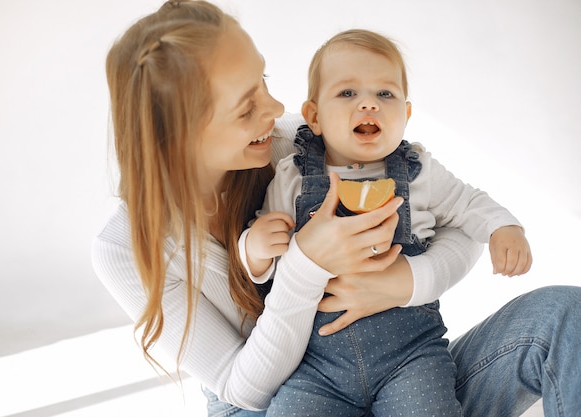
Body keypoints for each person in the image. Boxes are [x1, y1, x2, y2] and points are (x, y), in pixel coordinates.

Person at [92, 1, 581, 416]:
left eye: (263, 79)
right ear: (177, 138)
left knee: (565, 314)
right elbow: (244, 388)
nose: (276, 105)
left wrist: (407, 281)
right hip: (281, 396)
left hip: (406, 365)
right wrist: (306, 263)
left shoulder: (301, 141)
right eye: (246, 106)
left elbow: (454, 215)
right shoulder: (124, 248)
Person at [239, 29, 532, 416]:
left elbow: (467, 203)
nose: (369, 105)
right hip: (316, 368)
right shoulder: (292, 177)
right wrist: (254, 248)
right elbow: (270, 265)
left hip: (409, 357)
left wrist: (503, 227)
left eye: (385, 94)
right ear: (314, 116)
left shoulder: (418, 172)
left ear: (406, 115)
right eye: (347, 94)